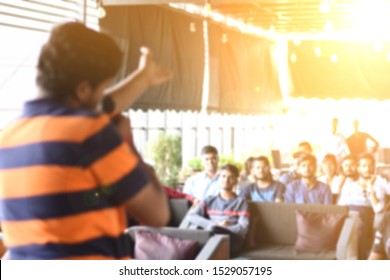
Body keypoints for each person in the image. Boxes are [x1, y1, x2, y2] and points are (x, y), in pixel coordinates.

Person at [0, 22, 171, 260]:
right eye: (100, 90)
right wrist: (127, 144)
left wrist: (143, 77)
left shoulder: (8, 138)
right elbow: (158, 214)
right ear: (82, 90)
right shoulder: (89, 133)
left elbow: (103, 107)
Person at [187, 164, 249, 257]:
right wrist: (216, 225)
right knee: (198, 230)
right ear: (219, 178)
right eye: (223, 176)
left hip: (233, 240)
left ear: (236, 180)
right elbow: (191, 216)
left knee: (213, 231)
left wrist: (221, 228)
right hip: (212, 236)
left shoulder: (241, 201)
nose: (226, 180)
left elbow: (243, 228)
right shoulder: (209, 199)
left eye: (231, 177)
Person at [338, 153, 388, 259]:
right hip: (349, 217)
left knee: (360, 226)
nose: (367, 169)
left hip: (367, 219)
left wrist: (371, 188)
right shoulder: (349, 186)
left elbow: (378, 209)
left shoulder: (379, 186)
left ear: (374, 167)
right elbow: (341, 207)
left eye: (370, 166)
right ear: (358, 168)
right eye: (364, 166)